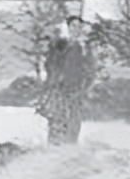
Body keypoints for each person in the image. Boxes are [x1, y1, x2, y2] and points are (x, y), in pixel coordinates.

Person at [38, 15, 97, 146]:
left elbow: (90, 71)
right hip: (59, 90)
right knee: (56, 122)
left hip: (76, 91)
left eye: (79, 27)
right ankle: (52, 150)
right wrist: (53, 83)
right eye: (73, 26)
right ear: (67, 27)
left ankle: (69, 152)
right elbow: (50, 65)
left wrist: (84, 88)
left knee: (73, 123)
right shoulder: (59, 45)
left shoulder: (84, 48)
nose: (76, 29)